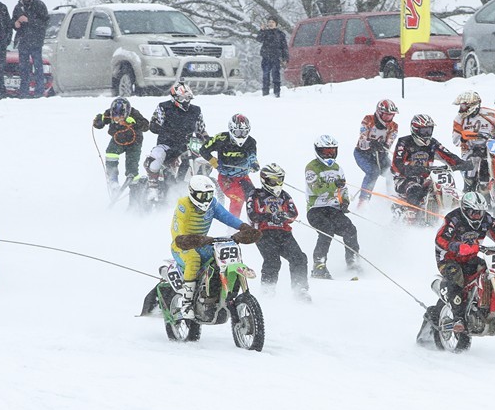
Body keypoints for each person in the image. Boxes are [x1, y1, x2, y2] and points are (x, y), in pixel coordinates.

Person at [140, 175, 261, 318]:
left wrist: (244, 227)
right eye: (201, 195)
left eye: (209, 194)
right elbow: (177, 232)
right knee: (193, 260)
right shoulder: (183, 205)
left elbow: (227, 216)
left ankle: (217, 293)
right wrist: (191, 239)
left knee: (222, 255)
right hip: (183, 245)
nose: (205, 198)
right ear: (192, 193)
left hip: (203, 243)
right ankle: (186, 303)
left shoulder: (212, 204)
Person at [435, 192, 495, 332]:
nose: (477, 216)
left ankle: (486, 305)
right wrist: (456, 246)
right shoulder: (454, 219)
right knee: (456, 278)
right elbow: (440, 239)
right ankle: (458, 318)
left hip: (470, 257)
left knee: (489, 271)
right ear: (465, 210)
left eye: (480, 212)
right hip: (448, 258)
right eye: (474, 212)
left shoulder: (486, 219)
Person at [246, 163, 310, 301]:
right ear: (265, 179)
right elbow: (252, 215)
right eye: (274, 180)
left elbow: (293, 214)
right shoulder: (256, 194)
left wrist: (283, 214)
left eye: (280, 179)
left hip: (284, 233)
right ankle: (267, 291)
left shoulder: (285, 195)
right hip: (263, 233)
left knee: (299, 257)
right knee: (273, 260)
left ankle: (300, 289)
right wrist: (268, 214)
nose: (277, 183)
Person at [391, 114, 471, 221]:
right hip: (404, 179)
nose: (427, 134)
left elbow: (447, 155)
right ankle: (410, 219)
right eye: (424, 131)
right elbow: (396, 164)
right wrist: (410, 169)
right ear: (415, 129)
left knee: (444, 189)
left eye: (429, 130)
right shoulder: (404, 142)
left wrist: (462, 163)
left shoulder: (432, 143)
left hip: (427, 178)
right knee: (415, 189)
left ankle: (453, 217)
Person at [306, 135, 360, 279]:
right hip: (316, 209)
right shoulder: (312, 167)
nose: (329, 155)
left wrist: (345, 202)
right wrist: (333, 185)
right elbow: (316, 188)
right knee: (326, 230)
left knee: (350, 229)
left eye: (332, 151)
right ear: (318, 151)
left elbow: (343, 189)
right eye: (326, 152)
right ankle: (319, 265)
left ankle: (352, 260)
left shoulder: (338, 168)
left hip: (332, 209)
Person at [145, 82, 208, 201]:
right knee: (157, 155)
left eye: (187, 98)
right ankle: (152, 186)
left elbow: (201, 129)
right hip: (167, 143)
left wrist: (208, 140)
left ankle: (197, 183)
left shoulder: (196, 110)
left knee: (202, 157)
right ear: (174, 97)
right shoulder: (164, 107)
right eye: (181, 98)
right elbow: (153, 124)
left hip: (188, 145)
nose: (184, 101)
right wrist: (162, 128)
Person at [451, 91, 495, 193]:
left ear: (473, 105)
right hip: (470, 149)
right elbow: (455, 140)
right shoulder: (459, 119)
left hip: (491, 146)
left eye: (464, 106)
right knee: (472, 164)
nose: (461, 108)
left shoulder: (491, 114)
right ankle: (469, 191)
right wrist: (463, 139)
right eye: (461, 106)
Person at [199, 114, 259, 218]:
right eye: (238, 132)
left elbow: (252, 155)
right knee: (238, 198)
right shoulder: (221, 138)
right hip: (226, 178)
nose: (241, 136)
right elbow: (203, 150)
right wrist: (214, 162)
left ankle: (257, 224)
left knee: (254, 199)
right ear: (231, 130)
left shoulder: (251, 141)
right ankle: (233, 227)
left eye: (244, 132)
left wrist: (254, 164)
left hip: (243, 177)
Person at [93, 97, 150, 193]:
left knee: (132, 167)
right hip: (118, 139)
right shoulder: (109, 113)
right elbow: (99, 124)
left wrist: (136, 123)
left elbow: (146, 126)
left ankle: (134, 190)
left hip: (134, 142)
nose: (117, 119)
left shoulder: (135, 113)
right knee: (111, 153)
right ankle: (113, 181)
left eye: (121, 116)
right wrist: (99, 120)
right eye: (115, 116)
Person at [354, 99, 399, 208]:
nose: (389, 118)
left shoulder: (393, 126)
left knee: (392, 173)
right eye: (386, 115)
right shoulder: (368, 120)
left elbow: (389, 143)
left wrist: (384, 146)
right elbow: (361, 141)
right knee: (373, 172)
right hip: (363, 154)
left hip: (381, 155)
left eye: (391, 115)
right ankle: (363, 201)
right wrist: (371, 144)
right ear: (379, 113)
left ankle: (392, 198)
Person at [11, 0, 49, 98]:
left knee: (38, 67)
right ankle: (24, 92)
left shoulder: (39, 5)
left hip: (36, 41)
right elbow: (12, 21)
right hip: (23, 41)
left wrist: (29, 20)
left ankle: (39, 91)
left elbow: (44, 23)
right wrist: (15, 24)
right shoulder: (18, 7)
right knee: (23, 68)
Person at [256, 15, 289, 97]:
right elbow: (259, 39)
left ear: (276, 24)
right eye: (269, 22)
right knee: (265, 75)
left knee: (276, 75)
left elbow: (284, 47)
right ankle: (265, 93)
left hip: (276, 57)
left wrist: (285, 58)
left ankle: (277, 93)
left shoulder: (280, 34)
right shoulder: (265, 33)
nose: (270, 24)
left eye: (272, 22)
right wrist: (261, 30)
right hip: (266, 57)